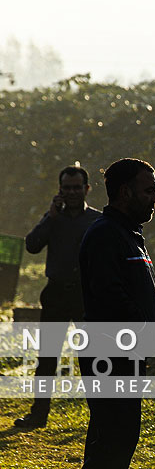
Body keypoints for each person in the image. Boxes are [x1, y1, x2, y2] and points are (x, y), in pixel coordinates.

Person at [47, 158, 155, 469]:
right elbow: (112, 297)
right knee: (114, 435)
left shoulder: (129, 235)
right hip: (109, 349)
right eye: (148, 189)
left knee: (116, 436)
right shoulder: (104, 235)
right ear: (126, 192)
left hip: (125, 350)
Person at [14, 165, 101, 429]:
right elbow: (31, 245)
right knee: (47, 357)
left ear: (87, 189)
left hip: (85, 296)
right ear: (60, 190)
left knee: (92, 358)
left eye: (77, 187)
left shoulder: (97, 221)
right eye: (67, 188)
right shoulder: (52, 218)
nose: (72, 192)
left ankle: (99, 417)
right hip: (55, 294)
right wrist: (50, 217)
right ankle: (38, 415)